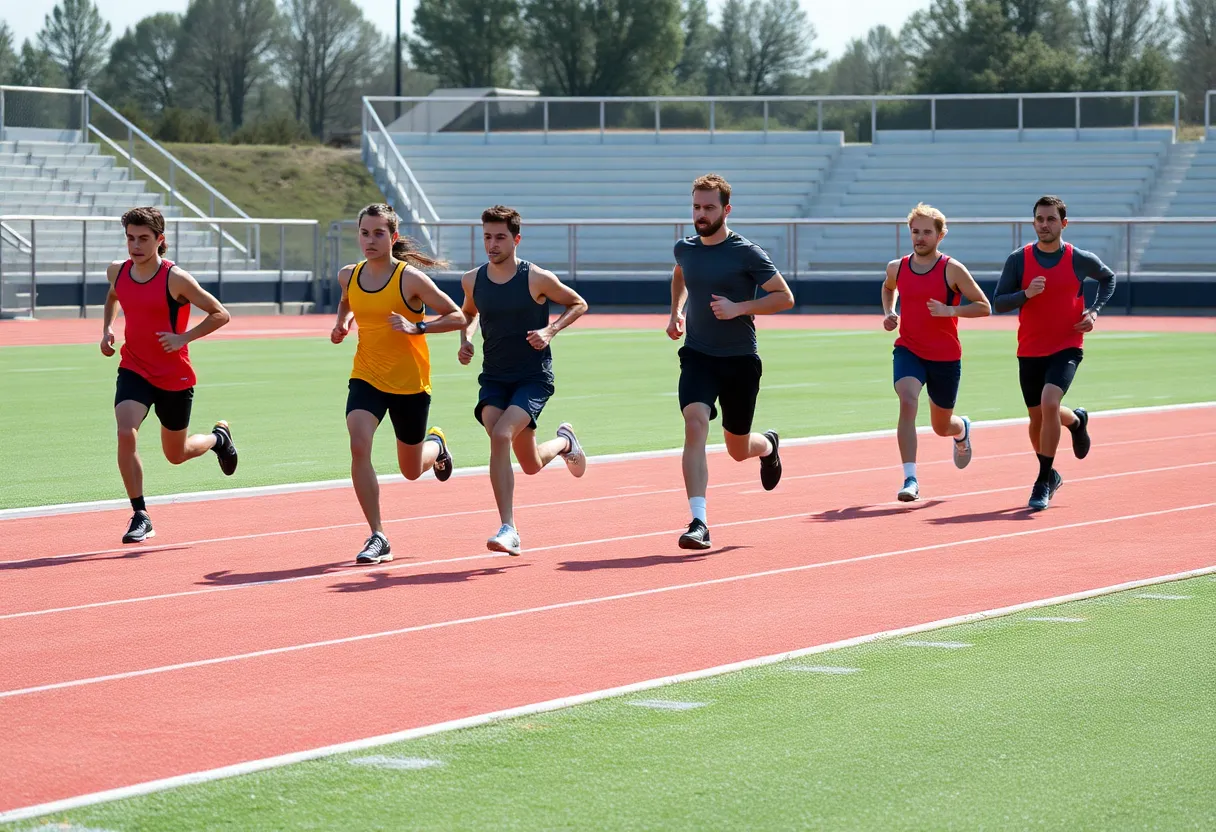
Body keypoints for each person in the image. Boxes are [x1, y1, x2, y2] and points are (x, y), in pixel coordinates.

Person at [331, 203, 467, 564]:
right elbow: (347, 300)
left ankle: (436, 446)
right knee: (359, 446)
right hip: (367, 376)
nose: (370, 240)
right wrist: (342, 323)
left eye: (378, 233)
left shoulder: (410, 279)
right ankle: (378, 535)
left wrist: (418, 326)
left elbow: (457, 316)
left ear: (392, 237)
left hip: (409, 383)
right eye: (364, 233)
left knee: (409, 470)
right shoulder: (349, 274)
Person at [667, 174, 794, 550]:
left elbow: (784, 297)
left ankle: (768, 446)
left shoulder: (747, 252)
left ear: (726, 209)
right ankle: (699, 521)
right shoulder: (684, 248)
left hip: (739, 360)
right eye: (696, 207)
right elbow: (680, 274)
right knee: (694, 424)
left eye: (709, 207)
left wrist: (740, 307)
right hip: (698, 356)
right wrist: (677, 311)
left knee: (738, 449)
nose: (701, 215)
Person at [100, 206, 238, 544]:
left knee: (176, 454)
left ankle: (218, 439)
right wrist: (107, 328)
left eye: (144, 239)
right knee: (125, 431)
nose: (135, 246)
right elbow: (115, 295)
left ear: (160, 240)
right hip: (134, 366)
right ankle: (140, 514)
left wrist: (183, 338)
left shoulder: (174, 278)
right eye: (130, 238)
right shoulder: (117, 271)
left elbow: (220, 314)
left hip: (174, 375)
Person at [457, 205, 589, 557]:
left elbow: (578, 303)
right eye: (487, 237)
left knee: (501, 435)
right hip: (495, 378)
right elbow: (469, 312)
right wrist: (465, 338)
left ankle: (508, 529)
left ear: (516, 239)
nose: (492, 244)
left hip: (532, 377)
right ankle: (564, 443)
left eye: (500, 237)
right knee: (528, 463)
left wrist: (550, 330)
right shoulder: (473, 279)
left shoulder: (536, 278)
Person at [993, 195, 1116, 511]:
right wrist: (1026, 293)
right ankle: (1076, 422)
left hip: (1066, 345)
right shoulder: (1018, 260)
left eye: (1050, 219)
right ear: (1033, 222)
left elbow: (1108, 278)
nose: (1044, 225)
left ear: (1063, 223)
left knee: (1049, 402)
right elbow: (999, 302)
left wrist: (1093, 311)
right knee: (1038, 418)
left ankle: (1043, 480)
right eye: (1039, 219)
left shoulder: (1079, 258)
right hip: (1030, 348)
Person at [881, 203, 991, 502]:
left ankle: (961, 430)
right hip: (909, 349)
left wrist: (949, 310)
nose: (920, 238)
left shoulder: (952, 269)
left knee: (941, 426)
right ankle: (910, 478)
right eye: (915, 232)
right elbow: (889, 286)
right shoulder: (898, 267)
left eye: (927, 232)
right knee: (907, 400)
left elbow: (984, 307)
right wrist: (890, 312)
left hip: (944, 356)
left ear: (941, 235)